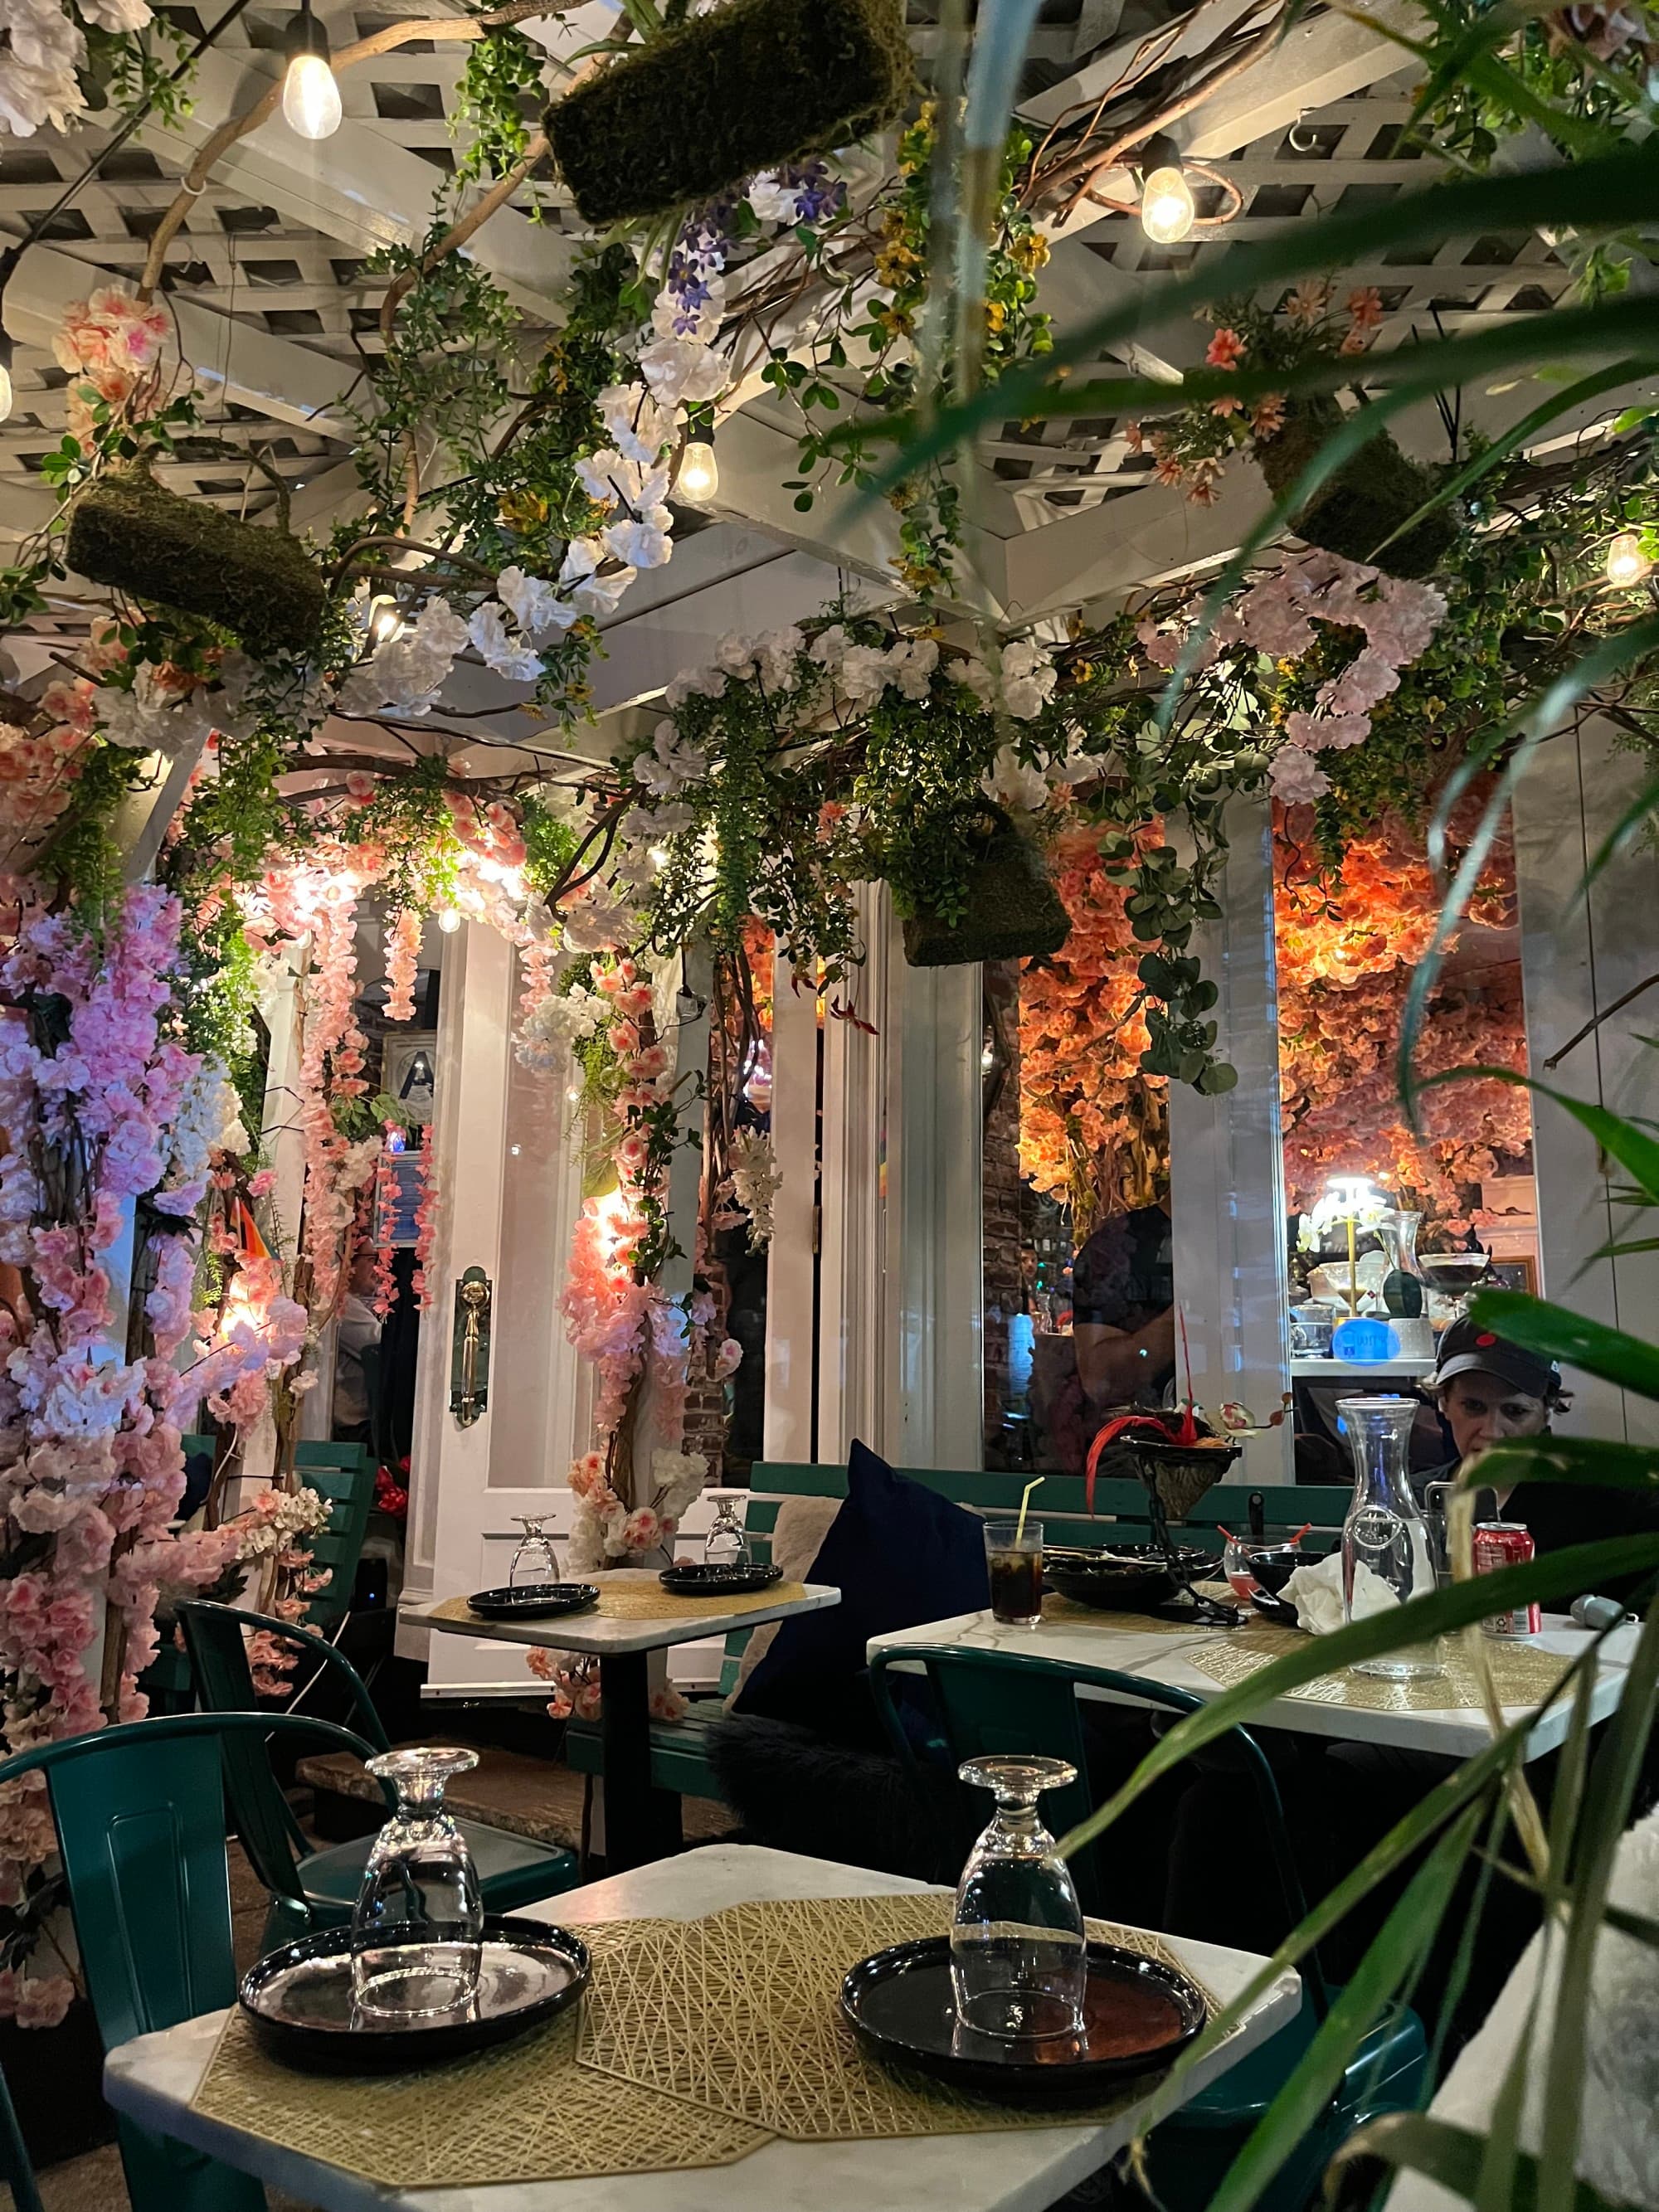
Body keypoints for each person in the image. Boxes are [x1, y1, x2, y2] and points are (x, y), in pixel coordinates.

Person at [1421, 1313, 1659, 1608]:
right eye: (1473, 1406)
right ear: (1444, 1403)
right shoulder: (1415, 1501)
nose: (1492, 1431)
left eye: (1515, 1411)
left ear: (1548, 1410)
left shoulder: (1614, 1504)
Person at [332, 1244, 381, 1446]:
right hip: (352, 1430)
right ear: (350, 1262)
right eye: (371, 1259)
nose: (377, 1269)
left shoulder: (353, 1303)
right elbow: (379, 1341)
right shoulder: (344, 1304)